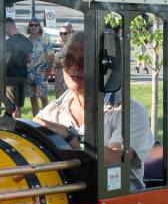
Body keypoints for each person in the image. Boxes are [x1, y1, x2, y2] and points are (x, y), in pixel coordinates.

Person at [34, 31, 154, 189]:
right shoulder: (52, 111)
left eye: (83, 62)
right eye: (68, 60)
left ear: (104, 67)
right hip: (66, 198)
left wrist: (71, 137)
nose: (74, 67)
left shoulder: (130, 111)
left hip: (118, 200)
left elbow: (115, 161)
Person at [25, 18, 53, 115]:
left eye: (35, 25)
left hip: (41, 75)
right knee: (33, 99)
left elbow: (52, 58)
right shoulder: (26, 41)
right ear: (29, 27)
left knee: (44, 98)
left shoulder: (45, 40)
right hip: (29, 75)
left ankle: (46, 119)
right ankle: (35, 120)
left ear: (39, 27)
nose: (33, 27)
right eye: (31, 25)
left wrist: (47, 75)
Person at [4, 19, 31, 117]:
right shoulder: (27, 41)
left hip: (11, 77)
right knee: (18, 106)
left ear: (7, 27)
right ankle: (19, 124)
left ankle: (14, 125)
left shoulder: (8, 42)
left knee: (12, 106)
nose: (5, 32)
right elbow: (30, 60)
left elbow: (5, 60)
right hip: (23, 76)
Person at [53, 23, 73, 98]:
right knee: (59, 98)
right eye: (61, 33)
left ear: (70, 34)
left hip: (66, 78)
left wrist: (57, 60)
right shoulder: (64, 45)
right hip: (60, 77)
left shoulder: (71, 46)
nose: (63, 35)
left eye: (65, 33)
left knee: (65, 99)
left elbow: (67, 62)